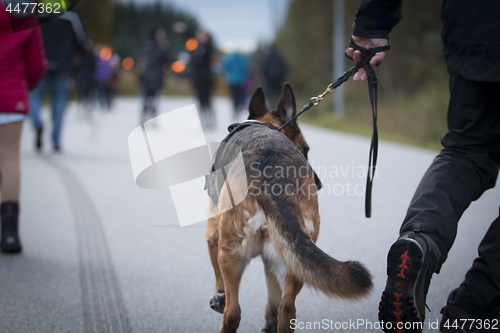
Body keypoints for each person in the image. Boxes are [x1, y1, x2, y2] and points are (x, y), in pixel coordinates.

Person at [346, 1, 500, 332]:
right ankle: (474, 309)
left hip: (475, 29)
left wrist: (373, 24)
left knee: (466, 151)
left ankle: (419, 242)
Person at [0, 0, 46, 253]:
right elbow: (37, 65)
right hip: (10, 99)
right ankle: (9, 233)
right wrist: (24, 87)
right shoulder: (26, 15)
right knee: (9, 158)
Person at [29, 8, 85, 152]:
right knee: (59, 105)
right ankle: (56, 141)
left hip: (39, 64)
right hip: (62, 67)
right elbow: (81, 44)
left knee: (34, 98)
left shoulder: (35, 14)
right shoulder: (71, 17)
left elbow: (26, 37)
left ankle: (37, 123)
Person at [138, 27, 171, 124]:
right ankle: (152, 117)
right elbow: (168, 60)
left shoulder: (146, 45)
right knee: (154, 98)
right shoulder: (161, 48)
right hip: (156, 76)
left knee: (146, 98)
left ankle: (144, 117)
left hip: (147, 76)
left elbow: (141, 60)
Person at [190, 28, 215, 129]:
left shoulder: (207, 46)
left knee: (206, 99)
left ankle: (209, 119)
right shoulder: (197, 48)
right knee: (200, 99)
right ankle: (203, 119)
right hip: (198, 78)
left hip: (206, 78)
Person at [220, 50, 249, 121]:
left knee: (234, 96)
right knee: (239, 95)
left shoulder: (230, 59)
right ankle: (239, 108)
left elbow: (225, 68)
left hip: (232, 81)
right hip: (241, 81)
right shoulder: (242, 59)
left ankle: (235, 110)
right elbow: (245, 70)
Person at [260, 43, 288, 108]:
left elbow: (263, 68)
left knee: (270, 95)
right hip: (279, 80)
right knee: (279, 94)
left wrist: (266, 77)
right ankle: (278, 107)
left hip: (269, 81)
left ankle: (272, 108)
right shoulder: (280, 56)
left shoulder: (267, 57)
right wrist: (281, 76)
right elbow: (285, 67)